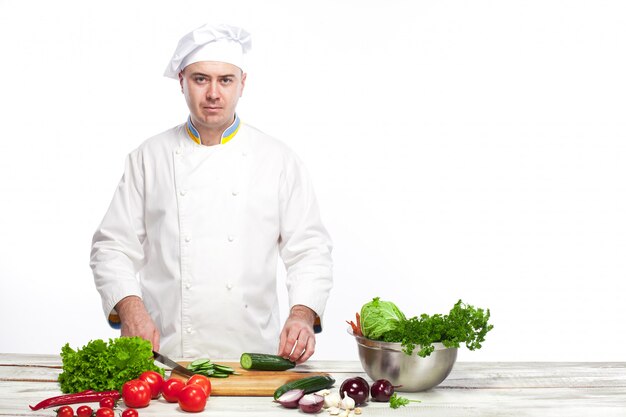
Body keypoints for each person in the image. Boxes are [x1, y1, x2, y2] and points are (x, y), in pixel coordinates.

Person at [90, 24, 333, 364]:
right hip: (166, 357)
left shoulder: (278, 160)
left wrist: (303, 314)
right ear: (181, 81)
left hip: (255, 356)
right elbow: (112, 246)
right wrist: (130, 308)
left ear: (242, 84)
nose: (213, 93)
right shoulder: (149, 158)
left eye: (226, 80)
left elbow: (309, 250)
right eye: (201, 79)